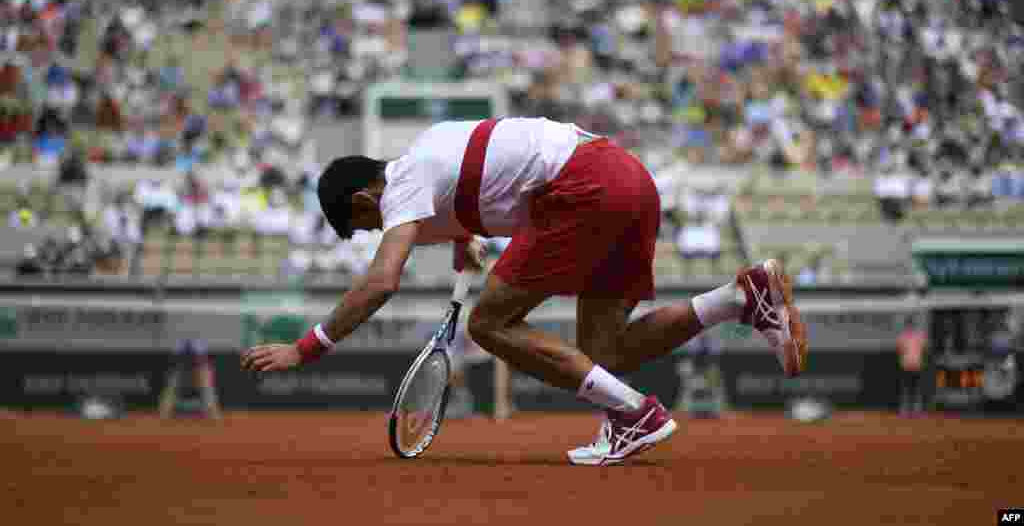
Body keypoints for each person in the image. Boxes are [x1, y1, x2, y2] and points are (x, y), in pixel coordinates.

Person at [241, 117, 808, 465]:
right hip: (630, 182)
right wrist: (464, 239)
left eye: (366, 226)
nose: (376, 232)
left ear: (364, 201)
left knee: (488, 325)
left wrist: (306, 347)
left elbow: (381, 281)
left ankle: (635, 413)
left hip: (583, 189)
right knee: (606, 352)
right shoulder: (432, 149)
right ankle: (741, 297)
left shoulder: (403, 185)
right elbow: (488, 169)